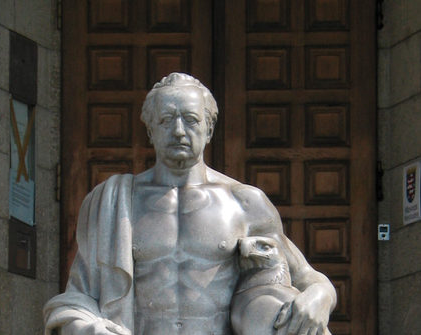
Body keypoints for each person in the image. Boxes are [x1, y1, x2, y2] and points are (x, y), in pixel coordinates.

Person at [43, 73, 336, 335]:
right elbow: (79, 296)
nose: (179, 131)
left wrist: (320, 297)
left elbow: (306, 277)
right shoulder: (115, 201)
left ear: (209, 130)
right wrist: (85, 327)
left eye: (191, 120)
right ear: (150, 131)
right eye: (166, 120)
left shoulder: (244, 202)